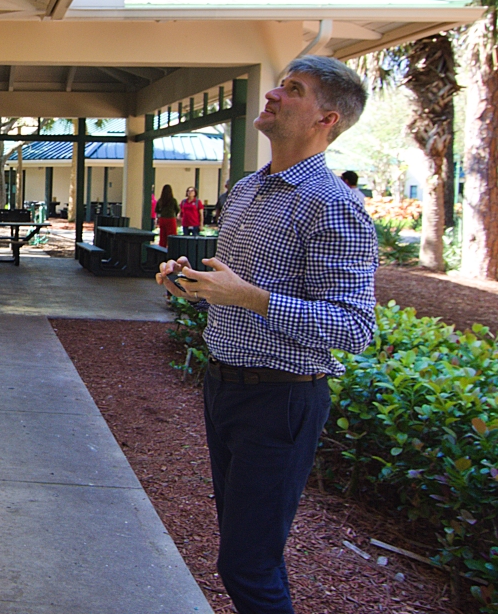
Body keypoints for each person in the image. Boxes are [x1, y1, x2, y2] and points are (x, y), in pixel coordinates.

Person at [155, 56, 378, 614]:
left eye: (294, 90)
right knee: (250, 556)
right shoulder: (248, 189)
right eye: (280, 83)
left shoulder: (335, 205)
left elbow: (355, 327)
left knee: (246, 566)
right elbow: (231, 287)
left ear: (326, 119)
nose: (274, 94)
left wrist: (249, 297)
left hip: (281, 400)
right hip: (224, 388)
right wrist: (189, 284)